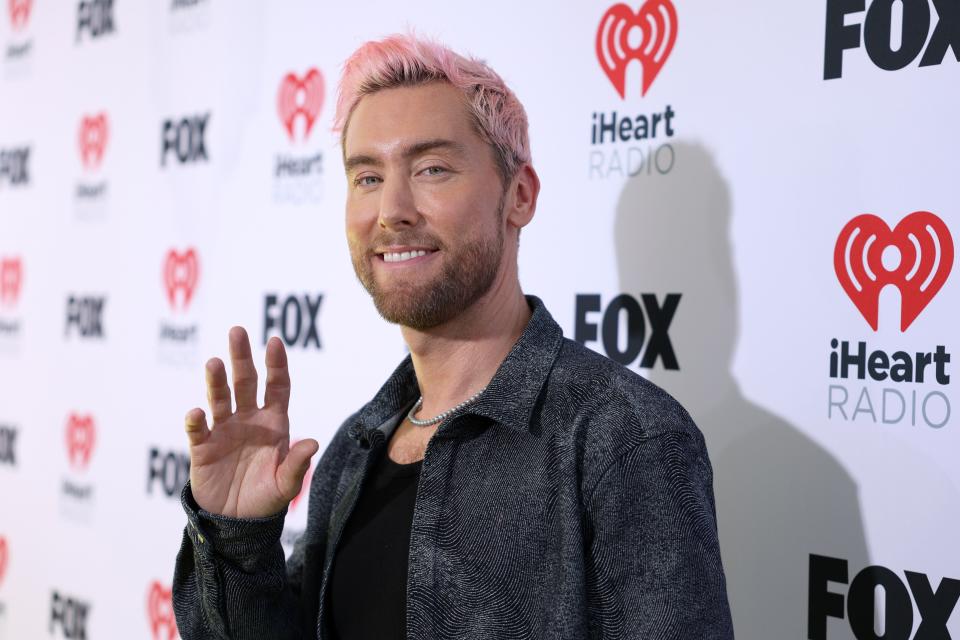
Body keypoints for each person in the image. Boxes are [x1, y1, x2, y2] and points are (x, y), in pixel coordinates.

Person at [172, 33, 734, 640]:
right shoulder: (352, 453)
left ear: (519, 196)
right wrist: (237, 538)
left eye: (431, 169)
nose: (391, 210)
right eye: (366, 177)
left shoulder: (621, 439)